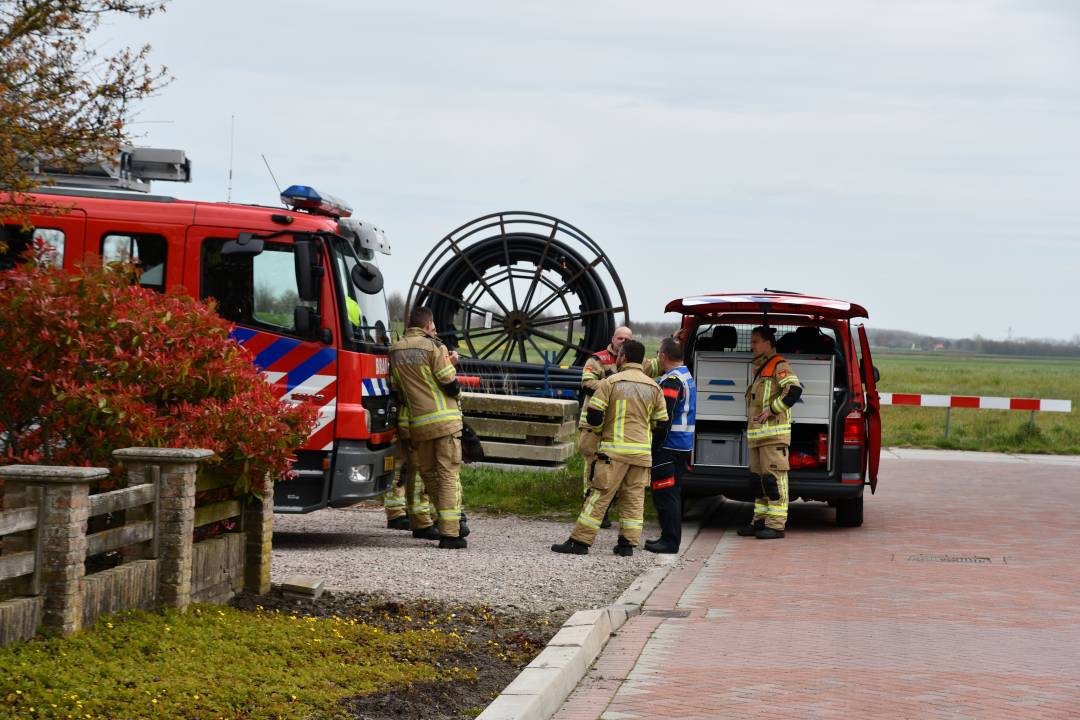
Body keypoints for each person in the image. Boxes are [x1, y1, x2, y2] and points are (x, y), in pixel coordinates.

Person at [553, 340, 668, 557]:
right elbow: (662, 423)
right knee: (634, 499)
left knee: (600, 495)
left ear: (622, 357)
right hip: (642, 455)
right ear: (642, 360)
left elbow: (595, 414)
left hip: (613, 453)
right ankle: (627, 545)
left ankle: (579, 541)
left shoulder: (611, 382)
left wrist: (599, 431)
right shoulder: (654, 387)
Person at [389, 306, 468, 549]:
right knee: (447, 476)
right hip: (445, 423)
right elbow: (448, 382)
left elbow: (397, 388)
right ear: (427, 325)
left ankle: (440, 524)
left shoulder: (395, 350)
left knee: (429, 476)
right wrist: (458, 388)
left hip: (418, 425)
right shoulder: (435, 347)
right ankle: (451, 534)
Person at [738, 326, 802, 540]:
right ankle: (759, 523)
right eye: (753, 341)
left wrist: (773, 409)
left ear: (768, 343)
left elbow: (794, 389)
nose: (752, 345)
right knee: (759, 482)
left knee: (775, 481)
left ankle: (776, 526)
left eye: (756, 341)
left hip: (773, 436)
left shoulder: (779, 365)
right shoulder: (760, 367)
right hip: (758, 437)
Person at [644, 338, 696, 554]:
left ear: (663, 356)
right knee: (673, 493)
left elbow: (664, 417)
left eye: (658, 354)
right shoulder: (685, 375)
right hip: (681, 446)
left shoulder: (672, 381)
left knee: (665, 494)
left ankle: (669, 541)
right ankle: (670, 538)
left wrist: (655, 444)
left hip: (669, 446)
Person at [384, 404, 434, 532]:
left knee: (402, 469)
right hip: (404, 424)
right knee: (399, 469)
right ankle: (396, 513)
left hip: (405, 422)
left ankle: (399, 512)